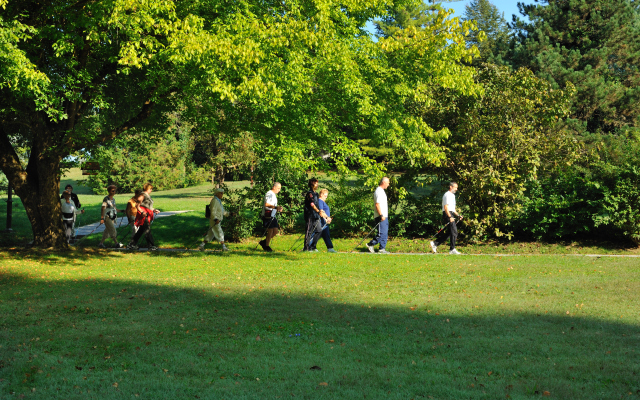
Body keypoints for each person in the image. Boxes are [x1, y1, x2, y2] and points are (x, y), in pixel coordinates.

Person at [430, 182, 463, 255]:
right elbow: (446, 207)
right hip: (447, 214)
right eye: (455, 187)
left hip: (450, 213)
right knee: (454, 231)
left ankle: (435, 243)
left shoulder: (452, 195)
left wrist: (458, 215)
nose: (456, 189)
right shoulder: (447, 195)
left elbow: (453, 209)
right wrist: (450, 216)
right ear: (451, 187)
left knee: (450, 233)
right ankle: (452, 249)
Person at [127, 182, 160, 251]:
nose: (151, 190)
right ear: (147, 188)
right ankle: (151, 246)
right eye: (150, 189)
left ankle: (131, 244)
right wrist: (142, 212)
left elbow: (148, 206)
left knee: (141, 230)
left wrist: (154, 210)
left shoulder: (147, 195)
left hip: (148, 213)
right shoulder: (142, 195)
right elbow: (137, 205)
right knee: (147, 229)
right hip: (144, 215)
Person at [303, 178, 328, 252]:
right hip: (310, 215)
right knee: (309, 231)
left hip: (316, 215)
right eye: (316, 183)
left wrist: (321, 211)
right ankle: (306, 248)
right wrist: (318, 211)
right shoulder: (309, 194)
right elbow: (312, 204)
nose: (317, 185)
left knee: (319, 230)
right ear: (312, 184)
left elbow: (317, 204)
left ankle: (313, 246)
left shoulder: (316, 194)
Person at [367, 177, 390, 254]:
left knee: (385, 233)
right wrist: (381, 215)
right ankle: (370, 244)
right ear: (383, 182)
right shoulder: (379, 191)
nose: (388, 185)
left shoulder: (382, 191)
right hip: (381, 216)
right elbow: (377, 204)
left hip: (384, 216)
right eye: (388, 183)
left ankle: (382, 249)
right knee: (381, 233)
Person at [258, 182, 283, 252]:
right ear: (274, 187)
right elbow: (266, 204)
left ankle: (264, 242)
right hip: (268, 215)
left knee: (275, 231)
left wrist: (278, 208)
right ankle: (267, 246)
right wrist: (275, 207)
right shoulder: (269, 194)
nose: (279, 190)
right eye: (278, 188)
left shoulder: (273, 195)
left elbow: (273, 205)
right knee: (270, 231)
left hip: (273, 215)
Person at [99, 184, 125, 248]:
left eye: (115, 191)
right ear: (109, 191)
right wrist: (102, 218)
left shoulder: (113, 199)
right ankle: (116, 243)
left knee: (107, 231)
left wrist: (122, 211)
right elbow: (102, 208)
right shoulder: (106, 199)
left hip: (112, 217)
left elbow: (115, 209)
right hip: (107, 217)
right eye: (113, 191)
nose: (114, 192)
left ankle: (101, 244)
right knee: (113, 230)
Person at [312, 188, 337, 253]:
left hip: (324, 222)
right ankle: (310, 246)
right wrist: (327, 218)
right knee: (316, 234)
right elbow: (321, 211)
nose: (326, 197)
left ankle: (330, 248)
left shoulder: (322, 201)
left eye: (327, 196)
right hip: (321, 221)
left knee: (326, 235)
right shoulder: (320, 201)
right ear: (322, 195)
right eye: (325, 196)